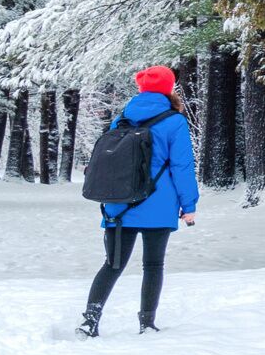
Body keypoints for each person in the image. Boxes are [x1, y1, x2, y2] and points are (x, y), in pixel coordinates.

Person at [82, 65, 200, 337]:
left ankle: (90, 320)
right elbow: (182, 166)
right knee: (153, 265)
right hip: (159, 204)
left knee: (112, 265)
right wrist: (189, 205)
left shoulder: (122, 118)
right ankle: (147, 323)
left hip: (119, 204)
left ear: (141, 88)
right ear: (169, 88)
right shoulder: (174, 121)